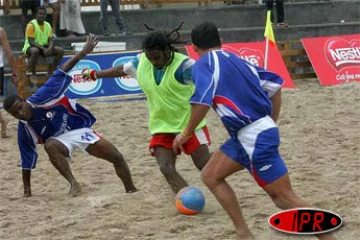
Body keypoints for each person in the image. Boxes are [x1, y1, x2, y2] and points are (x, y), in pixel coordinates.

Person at [173, 22, 335, 240]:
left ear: (193, 47)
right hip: (247, 134)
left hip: (253, 135)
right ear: (221, 41)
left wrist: (186, 133)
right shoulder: (238, 60)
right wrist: (271, 122)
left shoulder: (203, 64)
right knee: (211, 176)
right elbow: (275, 86)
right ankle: (244, 233)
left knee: (284, 198)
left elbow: (202, 102)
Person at [3, 33, 138, 198]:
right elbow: (26, 161)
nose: (20, 113)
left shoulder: (41, 97)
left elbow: (61, 71)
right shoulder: (24, 130)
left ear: (24, 101)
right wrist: (27, 192)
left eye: (19, 108)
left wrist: (83, 53)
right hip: (60, 142)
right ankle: (74, 183)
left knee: (117, 157)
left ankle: (131, 190)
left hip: (78, 129)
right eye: (14, 114)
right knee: (50, 144)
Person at [82, 29, 211, 194]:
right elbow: (122, 69)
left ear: (166, 50)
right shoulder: (142, 60)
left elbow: (208, 84)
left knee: (204, 166)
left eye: (157, 57)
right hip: (162, 125)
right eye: (150, 58)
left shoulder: (185, 66)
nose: (153, 62)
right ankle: (187, 198)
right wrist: (95, 74)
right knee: (165, 168)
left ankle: (232, 157)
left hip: (190, 124)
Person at [22, 6, 64, 83]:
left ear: (45, 15)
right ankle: (33, 73)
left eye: (43, 14)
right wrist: (43, 49)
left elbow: (51, 40)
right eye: (40, 13)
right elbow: (31, 41)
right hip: (31, 46)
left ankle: (50, 72)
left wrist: (50, 48)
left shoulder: (48, 25)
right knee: (35, 51)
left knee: (60, 50)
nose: (41, 15)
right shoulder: (31, 25)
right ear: (36, 15)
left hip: (44, 46)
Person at [0, 27, 19, 138]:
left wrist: (15, 73)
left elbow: (9, 54)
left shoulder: (1, 32)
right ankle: (2, 121)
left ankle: (2, 121)